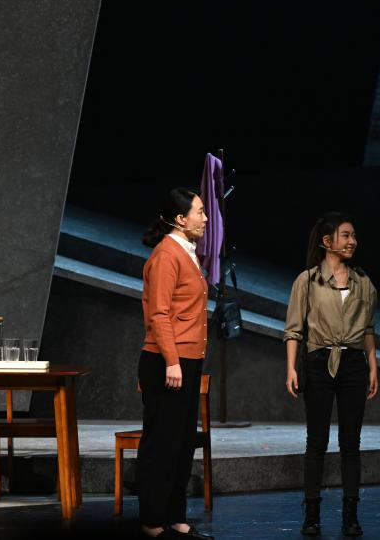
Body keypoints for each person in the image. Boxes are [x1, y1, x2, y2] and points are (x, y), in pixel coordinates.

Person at [283, 212, 379, 537]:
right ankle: (311, 514)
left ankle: (350, 515)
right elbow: (294, 330)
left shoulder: (363, 282)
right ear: (328, 241)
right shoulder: (307, 281)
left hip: (353, 363)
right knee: (317, 441)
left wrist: (373, 366)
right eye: (346, 235)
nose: (353, 241)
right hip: (318, 362)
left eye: (354, 236)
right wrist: (291, 368)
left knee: (351, 443)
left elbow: (368, 329)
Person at [137, 187, 214, 539]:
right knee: (163, 443)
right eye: (200, 212)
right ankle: (152, 520)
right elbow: (159, 313)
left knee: (182, 443)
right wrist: (171, 360)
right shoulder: (167, 255)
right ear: (181, 219)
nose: (205, 218)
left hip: (187, 359)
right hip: (167, 361)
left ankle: (175, 516)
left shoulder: (187, 251)